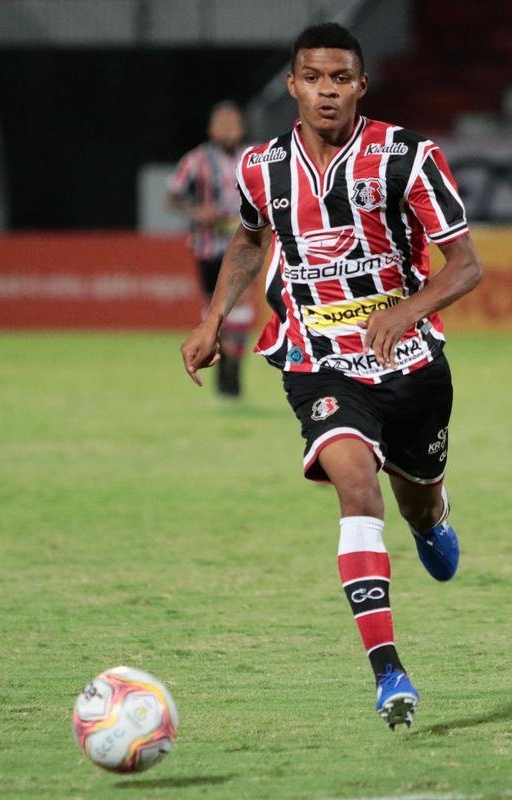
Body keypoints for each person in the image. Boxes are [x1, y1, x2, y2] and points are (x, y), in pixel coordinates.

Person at [180, 23, 482, 729]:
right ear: (292, 86)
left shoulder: (406, 157)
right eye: (312, 77)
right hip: (315, 358)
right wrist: (210, 317)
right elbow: (251, 238)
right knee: (354, 486)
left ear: (359, 87)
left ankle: (431, 517)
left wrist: (407, 309)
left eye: (339, 78)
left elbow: (465, 265)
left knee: (415, 503)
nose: (326, 90)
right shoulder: (260, 166)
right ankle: (388, 673)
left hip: (407, 364)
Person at [167, 101, 254, 398]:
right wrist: (196, 211)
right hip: (207, 247)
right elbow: (173, 197)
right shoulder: (196, 160)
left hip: (245, 244)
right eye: (222, 123)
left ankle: (233, 360)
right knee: (214, 305)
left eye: (233, 123)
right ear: (211, 128)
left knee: (241, 300)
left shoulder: (254, 157)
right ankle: (223, 350)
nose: (228, 129)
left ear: (242, 127)